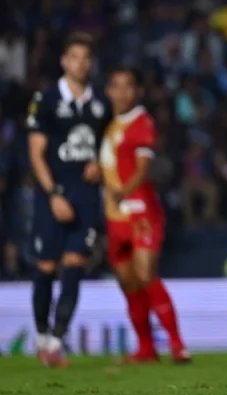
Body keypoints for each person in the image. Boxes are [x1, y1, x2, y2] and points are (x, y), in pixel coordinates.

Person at [26, 32, 111, 367]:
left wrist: (100, 164)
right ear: (64, 61)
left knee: (75, 265)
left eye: (86, 57)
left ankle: (57, 341)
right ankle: (42, 334)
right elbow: (36, 154)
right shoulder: (46, 100)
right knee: (46, 266)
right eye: (75, 57)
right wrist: (53, 194)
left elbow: (109, 148)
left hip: (86, 196)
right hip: (53, 194)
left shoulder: (101, 104)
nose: (81, 63)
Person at [100, 66, 190, 363]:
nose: (122, 93)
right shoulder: (105, 124)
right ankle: (145, 348)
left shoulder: (141, 122)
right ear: (109, 90)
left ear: (136, 92)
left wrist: (123, 190)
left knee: (146, 274)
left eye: (128, 87)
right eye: (117, 86)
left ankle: (178, 345)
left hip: (141, 211)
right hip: (115, 217)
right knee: (129, 283)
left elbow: (142, 168)